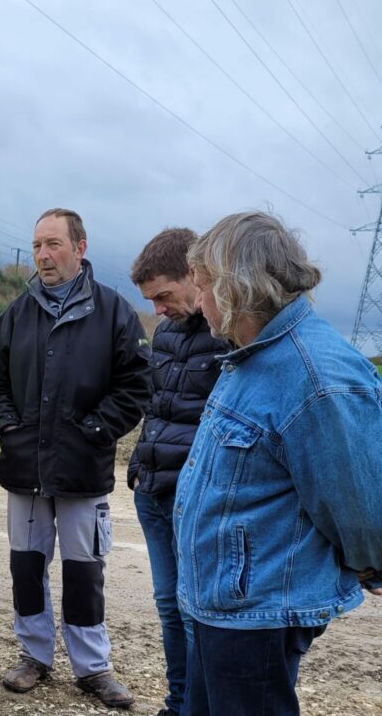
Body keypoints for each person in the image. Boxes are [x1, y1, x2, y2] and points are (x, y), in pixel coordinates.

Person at [177, 211, 382, 716]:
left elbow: (356, 500)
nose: (197, 302)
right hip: (224, 602)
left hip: (259, 610)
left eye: (203, 286)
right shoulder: (254, 355)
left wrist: (372, 566)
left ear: (235, 287)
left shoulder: (315, 375)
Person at [0, 208, 149, 709]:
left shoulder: (115, 313)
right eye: (36, 245)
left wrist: (97, 428)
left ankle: (93, 668)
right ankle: (34, 657)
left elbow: (137, 384)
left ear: (80, 247)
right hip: (25, 469)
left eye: (53, 244)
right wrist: (9, 425)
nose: (43, 255)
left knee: (84, 572)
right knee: (26, 566)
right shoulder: (16, 313)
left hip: (83, 467)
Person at [127, 228, 230, 716]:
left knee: (197, 615)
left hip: (196, 501)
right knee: (170, 607)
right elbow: (158, 406)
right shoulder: (164, 330)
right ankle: (178, 704)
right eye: (151, 301)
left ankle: (199, 708)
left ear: (195, 274)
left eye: (164, 296)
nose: (158, 309)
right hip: (152, 493)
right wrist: (139, 457)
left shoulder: (229, 333)